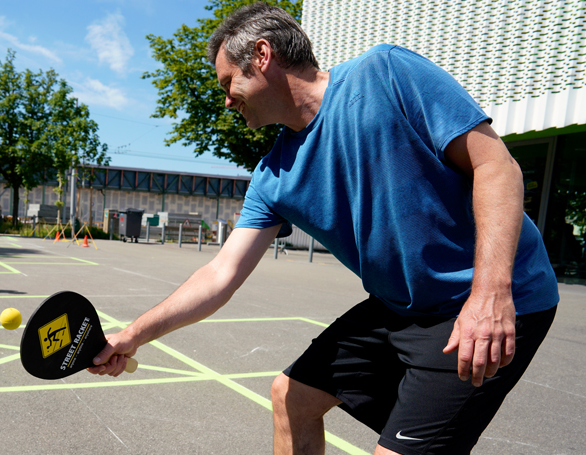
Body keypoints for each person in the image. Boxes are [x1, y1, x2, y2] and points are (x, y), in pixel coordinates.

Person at [88, 3, 559, 454]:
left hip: (484, 299)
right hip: (401, 306)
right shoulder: (274, 177)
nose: (226, 99)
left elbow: (496, 166)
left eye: (228, 82)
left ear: (262, 56)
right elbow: (219, 275)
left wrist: (491, 295)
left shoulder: (386, 73)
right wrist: (133, 335)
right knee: (290, 397)